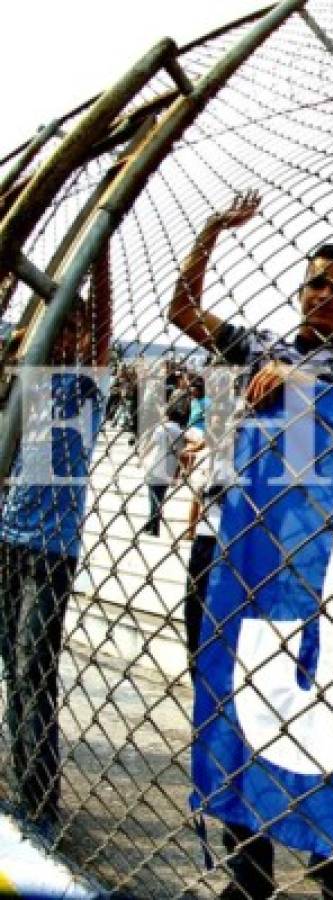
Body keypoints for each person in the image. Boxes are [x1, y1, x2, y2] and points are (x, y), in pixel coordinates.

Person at [169, 190, 333, 900]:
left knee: (309, 709)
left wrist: (299, 380)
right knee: (225, 699)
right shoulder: (256, 345)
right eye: (319, 282)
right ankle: (248, 868)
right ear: (302, 287)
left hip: (308, 561)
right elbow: (183, 313)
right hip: (234, 549)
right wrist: (210, 230)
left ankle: (329, 860)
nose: (327, 295)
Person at [0, 242, 111, 826]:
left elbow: (103, 327)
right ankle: (21, 781)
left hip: (49, 549)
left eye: (75, 329)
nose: (66, 339)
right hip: (7, 540)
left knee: (31, 672)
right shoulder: (27, 385)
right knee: (11, 671)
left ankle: (39, 800)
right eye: (57, 328)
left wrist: (102, 245)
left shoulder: (87, 385)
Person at [138, 403, 186, 537]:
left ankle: (154, 526)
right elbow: (181, 454)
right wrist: (177, 474)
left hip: (157, 465)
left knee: (153, 497)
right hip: (171, 468)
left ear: (168, 416)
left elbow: (151, 445)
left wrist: (141, 457)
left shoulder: (161, 429)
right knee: (160, 497)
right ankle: (152, 524)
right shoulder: (181, 432)